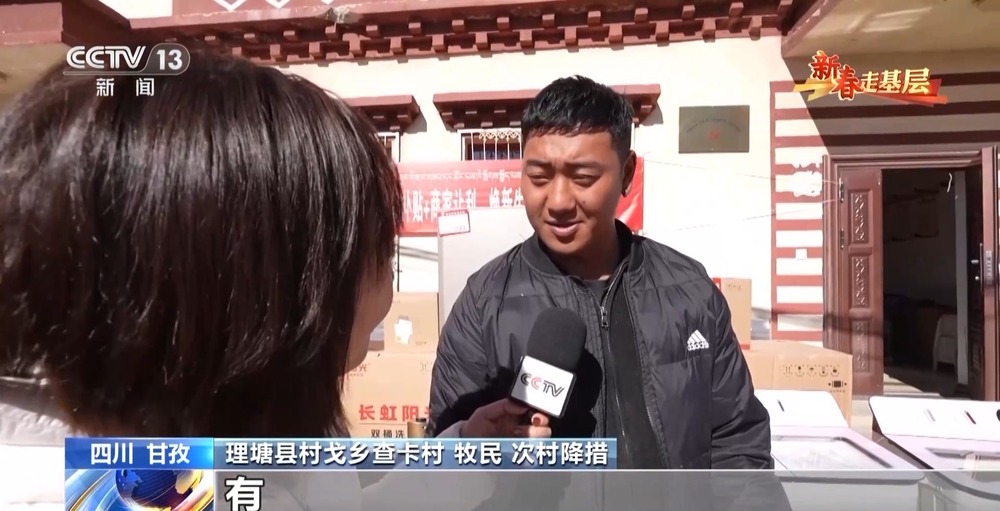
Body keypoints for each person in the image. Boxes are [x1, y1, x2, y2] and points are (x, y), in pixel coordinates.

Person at [0, 52, 547, 510]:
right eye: (370, 237)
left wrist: (466, 454)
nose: (384, 265)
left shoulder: (227, 434)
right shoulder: (134, 492)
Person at [428, 76, 773, 469]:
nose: (558, 201)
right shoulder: (483, 304)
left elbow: (739, 444)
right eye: (539, 177)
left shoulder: (690, 291)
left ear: (626, 173)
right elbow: (443, 457)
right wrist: (480, 452)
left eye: (583, 178)